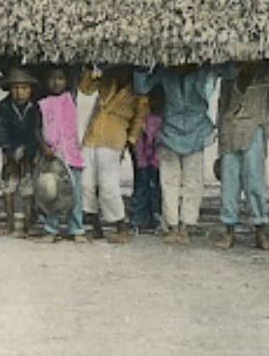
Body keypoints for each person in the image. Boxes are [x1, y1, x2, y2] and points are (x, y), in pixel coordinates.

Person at [132, 63, 219, 245]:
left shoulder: (202, 71)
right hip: (169, 132)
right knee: (168, 181)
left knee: (193, 182)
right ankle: (172, 226)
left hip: (196, 131)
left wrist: (213, 67)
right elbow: (142, 87)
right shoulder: (164, 71)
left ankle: (186, 226)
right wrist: (140, 68)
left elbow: (210, 90)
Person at [213, 61, 269, 251]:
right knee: (229, 184)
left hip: (254, 132)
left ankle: (260, 230)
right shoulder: (229, 76)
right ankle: (228, 231)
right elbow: (221, 109)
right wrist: (219, 150)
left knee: (255, 183)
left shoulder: (264, 76)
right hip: (230, 133)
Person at [78, 66, 148, 244]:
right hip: (92, 136)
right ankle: (95, 226)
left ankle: (121, 226)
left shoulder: (139, 89)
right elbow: (85, 88)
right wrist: (93, 71)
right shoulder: (107, 79)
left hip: (114, 139)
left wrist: (129, 142)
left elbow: (140, 119)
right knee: (86, 183)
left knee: (108, 186)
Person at [36, 65, 86, 242]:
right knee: (53, 192)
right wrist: (44, 147)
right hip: (52, 156)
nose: (55, 82)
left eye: (60, 78)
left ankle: (76, 228)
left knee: (75, 194)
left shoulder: (73, 99)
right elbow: (37, 129)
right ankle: (51, 228)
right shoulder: (42, 104)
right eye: (51, 78)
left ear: (67, 81)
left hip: (72, 154)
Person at [0, 67, 42, 237]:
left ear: (30, 89)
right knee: (9, 187)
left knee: (28, 188)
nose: (19, 92)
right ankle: (9, 223)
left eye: (24, 88)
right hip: (10, 153)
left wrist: (28, 150)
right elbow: (2, 130)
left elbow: (36, 131)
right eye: (15, 88)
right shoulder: (4, 106)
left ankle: (28, 224)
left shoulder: (35, 107)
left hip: (29, 152)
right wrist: (10, 151)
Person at [129, 86, 164, 232]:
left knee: (156, 189)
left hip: (157, 161)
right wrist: (142, 161)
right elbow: (139, 142)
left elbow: (161, 143)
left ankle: (155, 217)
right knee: (141, 188)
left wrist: (156, 162)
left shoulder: (163, 120)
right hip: (143, 160)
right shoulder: (144, 119)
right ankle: (138, 219)